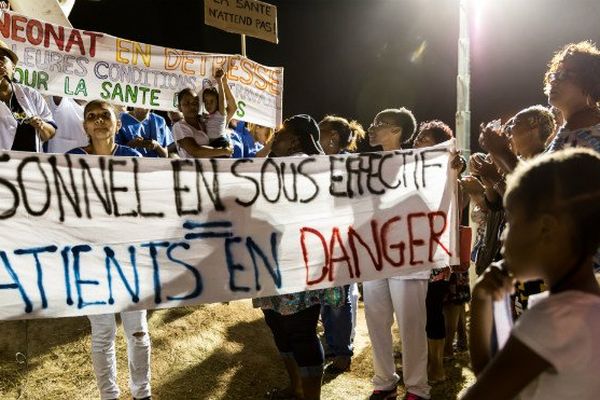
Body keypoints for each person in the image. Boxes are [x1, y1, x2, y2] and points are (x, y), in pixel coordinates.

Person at [462, 148, 600, 400]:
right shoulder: (586, 304)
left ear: (546, 228)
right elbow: (497, 376)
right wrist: (482, 301)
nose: (503, 236)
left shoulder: (555, 318)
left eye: (512, 222)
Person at [253, 114, 344, 400]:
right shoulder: (274, 166)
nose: (273, 140)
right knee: (280, 325)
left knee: (297, 330)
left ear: (293, 140)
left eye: (278, 136)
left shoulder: (312, 167)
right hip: (274, 261)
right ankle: (297, 389)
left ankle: (307, 394)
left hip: (301, 264)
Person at [67, 100, 151, 400]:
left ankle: (143, 393)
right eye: (92, 117)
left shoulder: (133, 157)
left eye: (106, 116)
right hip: (91, 261)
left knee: (138, 332)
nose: (99, 121)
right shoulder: (70, 161)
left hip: (129, 258)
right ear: (85, 126)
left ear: (117, 123)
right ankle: (109, 396)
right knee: (103, 334)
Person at [363, 108, 430, 400]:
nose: (372, 128)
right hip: (372, 255)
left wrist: (452, 167)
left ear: (398, 131)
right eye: (374, 122)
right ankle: (384, 382)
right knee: (376, 322)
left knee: (411, 324)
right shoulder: (363, 166)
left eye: (380, 124)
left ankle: (417, 388)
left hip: (408, 257)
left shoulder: (421, 165)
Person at [315, 115, 365, 373]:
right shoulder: (319, 163)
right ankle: (334, 348)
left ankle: (342, 353)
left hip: (341, 240)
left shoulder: (348, 164)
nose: (316, 136)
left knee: (337, 298)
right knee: (328, 298)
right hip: (321, 239)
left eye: (320, 132)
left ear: (333, 137)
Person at [0, 40, 56, 151]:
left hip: (28, 165)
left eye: (2, 59)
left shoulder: (31, 94)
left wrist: (41, 125)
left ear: (13, 68)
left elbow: (50, 133)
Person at [172, 88, 232, 158]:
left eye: (195, 102)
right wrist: (223, 151)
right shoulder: (179, 126)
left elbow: (232, 109)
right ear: (179, 107)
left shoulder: (205, 122)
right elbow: (194, 151)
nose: (192, 106)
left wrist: (227, 144)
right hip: (192, 168)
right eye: (187, 103)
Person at [202, 68, 238, 148]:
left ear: (217, 102)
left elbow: (222, 99)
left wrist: (220, 81)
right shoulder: (206, 117)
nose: (208, 105)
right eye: (206, 102)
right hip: (211, 146)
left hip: (220, 143)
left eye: (212, 101)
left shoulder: (221, 113)